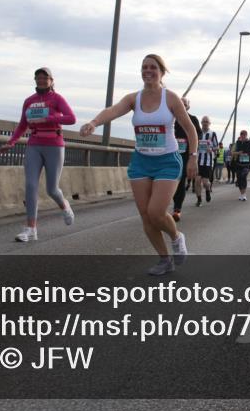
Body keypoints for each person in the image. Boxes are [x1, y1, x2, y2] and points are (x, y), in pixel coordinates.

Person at [79, 54, 196, 276]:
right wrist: (94, 123)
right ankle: (164, 260)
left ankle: (177, 237)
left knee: (156, 211)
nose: (147, 71)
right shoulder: (134, 98)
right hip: (141, 161)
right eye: (144, 67)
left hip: (167, 161)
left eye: (152, 67)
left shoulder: (171, 99)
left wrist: (193, 156)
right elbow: (113, 110)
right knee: (145, 215)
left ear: (162, 72)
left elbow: (190, 129)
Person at [0, 67, 77, 242]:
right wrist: (11, 142)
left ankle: (65, 206)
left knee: (52, 189)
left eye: (44, 77)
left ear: (51, 80)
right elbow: (22, 125)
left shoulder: (57, 98)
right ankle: (30, 228)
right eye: (38, 78)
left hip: (54, 146)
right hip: (34, 144)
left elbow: (71, 118)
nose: (41, 80)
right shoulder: (29, 101)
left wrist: (51, 118)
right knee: (31, 185)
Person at [171, 97, 201, 221]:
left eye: (185, 104)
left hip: (184, 155)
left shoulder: (193, 119)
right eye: (180, 103)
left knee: (181, 181)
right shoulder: (170, 118)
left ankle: (177, 209)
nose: (182, 106)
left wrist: (192, 155)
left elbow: (198, 136)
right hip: (168, 153)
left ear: (188, 107)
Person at [197, 116, 219, 204]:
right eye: (203, 121)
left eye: (207, 121)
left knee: (206, 182)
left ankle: (207, 190)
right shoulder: (198, 132)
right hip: (198, 160)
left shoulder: (212, 133)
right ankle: (199, 200)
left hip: (208, 161)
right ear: (201, 123)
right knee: (197, 181)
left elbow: (216, 146)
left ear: (209, 123)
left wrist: (212, 149)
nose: (205, 123)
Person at [232, 130, 250, 201]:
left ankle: (244, 194)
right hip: (239, 163)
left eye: (244, 135)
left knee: (243, 176)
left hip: (247, 163)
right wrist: (238, 153)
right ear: (240, 135)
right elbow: (233, 152)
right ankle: (241, 194)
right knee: (239, 178)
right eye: (241, 135)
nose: (243, 136)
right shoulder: (237, 143)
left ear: (246, 135)